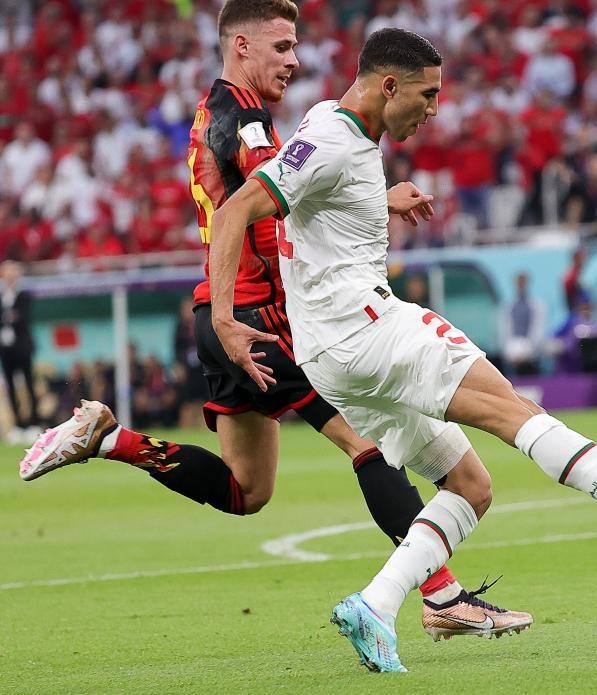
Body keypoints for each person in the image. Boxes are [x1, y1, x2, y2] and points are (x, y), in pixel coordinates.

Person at [210, 28, 597, 673]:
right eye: (427, 94)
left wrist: (378, 200)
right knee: (513, 410)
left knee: (470, 487)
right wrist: (223, 318)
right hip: (368, 329)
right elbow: (235, 211)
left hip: (331, 359)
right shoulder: (334, 138)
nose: (434, 109)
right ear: (389, 85)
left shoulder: (330, 124)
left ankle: (375, 604)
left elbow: (304, 203)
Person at [19, 0, 529, 641]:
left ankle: (110, 439)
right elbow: (272, 199)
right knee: (369, 442)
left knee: (246, 490)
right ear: (241, 46)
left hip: (219, 312)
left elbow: (289, 195)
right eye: (282, 47)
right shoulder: (245, 118)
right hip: (256, 316)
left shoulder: (217, 111)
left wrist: (377, 199)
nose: (294, 60)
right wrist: (235, 316)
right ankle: (443, 596)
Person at [1, 260, 40, 442]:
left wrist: (9, 317)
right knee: (10, 386)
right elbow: (11, 316)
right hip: (6, 349)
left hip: (23, 348)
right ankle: (17, 425)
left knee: (29, 385)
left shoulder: (24, 294)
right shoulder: (2, 295)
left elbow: (22, 316)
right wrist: (9, 317)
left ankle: (34, 422)